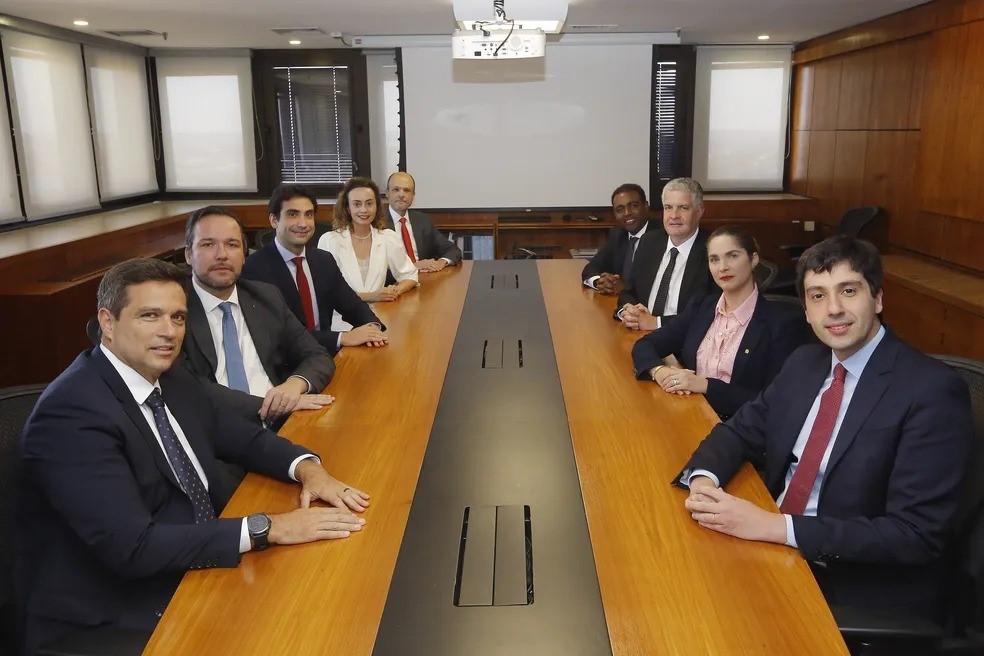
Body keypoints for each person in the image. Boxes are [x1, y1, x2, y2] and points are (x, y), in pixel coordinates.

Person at [16, 258, 370, 655]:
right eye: (150, 316)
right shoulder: (72, 414)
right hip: (115, 611)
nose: (169, 332)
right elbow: (133, 548)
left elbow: (242, 439)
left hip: (190, 562)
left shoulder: (169, 376)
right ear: (107, 322)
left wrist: (307, 468)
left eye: (178, 317)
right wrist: (266, 527)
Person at [677, 235, 973, 618]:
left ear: (878, 299)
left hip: (849, 578)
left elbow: (914, 534)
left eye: (848, 291)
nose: (833, 309)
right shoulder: (804, 362)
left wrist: (776, 527)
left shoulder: (931, 391)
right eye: (818, 296)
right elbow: (740, 430)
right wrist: (704, 481)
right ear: (806, 311)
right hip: (770, 544)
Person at [631, 226, 809, 418]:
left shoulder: (781, 324)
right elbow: (645, 344)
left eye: (732, 256)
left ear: (754, 259)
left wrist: (705, 385)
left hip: (737, 426)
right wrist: (659, 371)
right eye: (714, 259)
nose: (722, 267)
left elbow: (772, 403)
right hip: (689, 412)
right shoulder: (701, 306)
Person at [181, 206, 334, 424]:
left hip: (284, 422)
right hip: (219, 429)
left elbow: (317, 355)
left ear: (244, 255)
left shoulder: (265, 297)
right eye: (208, 244)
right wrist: (271, 405)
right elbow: (191, 390)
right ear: (188, 254)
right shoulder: (174, 311)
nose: (221, 255)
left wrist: (294, 385)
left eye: (232, 244)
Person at [241, 183, 387, 355]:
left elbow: (352, 305)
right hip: (286, 363)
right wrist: (341, 337)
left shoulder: (323, 260)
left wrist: (372, 327)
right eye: (293, 214)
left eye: (308, 215)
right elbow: (276, 335)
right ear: (274, 220)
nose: (303, 223)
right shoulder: (254, 268)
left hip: (327, 356)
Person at [318, 177, 418, 330]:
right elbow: (326, 293)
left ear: (376, 206)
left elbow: (410, 275)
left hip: (379, 319)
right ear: (347, 208)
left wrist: (393, 291)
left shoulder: (387, 237)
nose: (364, 210)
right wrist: (373, 296)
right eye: (357, 204)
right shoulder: (329, 241)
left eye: (369, 203)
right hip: (341, 324)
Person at [617, 177, 713, 329]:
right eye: (668, 207)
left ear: (699, 211)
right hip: (639, 333)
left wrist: (656, 323)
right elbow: (629, 292)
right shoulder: (649, 242)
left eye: (683, 208)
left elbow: (708, 313)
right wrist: (628, 311)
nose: (674, 215)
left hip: (683, 339)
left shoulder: (713, 251)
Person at [581, 183, 652, 295]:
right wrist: (600, 282)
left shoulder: (662, 236)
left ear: (646, 206)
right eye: (620, 209)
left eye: (634, 206)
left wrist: (625, 288)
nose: (627, 213)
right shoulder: (618, 235)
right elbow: (591, 268)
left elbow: (658, 285)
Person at [384, 171, 462, 272]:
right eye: (396, 189)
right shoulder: (376, 224)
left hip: (425, 278)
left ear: (413, 195)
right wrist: (414, 266)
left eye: (406, 190)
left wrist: (441, 262)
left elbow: (453, 250)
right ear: (387, 193)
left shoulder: (422, 220)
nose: (401, 194)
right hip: (395, 281)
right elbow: (375, 270)